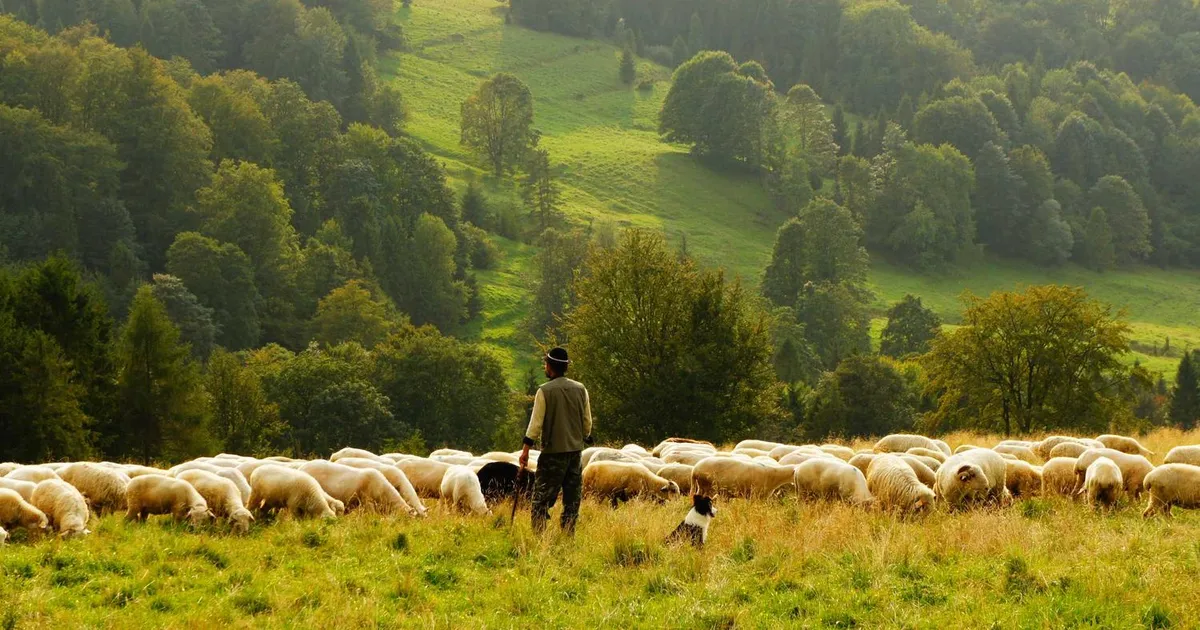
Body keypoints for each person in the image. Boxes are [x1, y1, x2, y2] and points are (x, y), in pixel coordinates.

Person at [519, 346, 593, 535]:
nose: (545, 367)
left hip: (552, 455)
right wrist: (583, 437)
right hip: (575, 454)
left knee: (541, 500)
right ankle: (568, 536)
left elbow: (535, 425)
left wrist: (526, 450)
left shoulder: (544, 391)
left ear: (550, 367)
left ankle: (540, 538)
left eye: (545, 363)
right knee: (572, 500)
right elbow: (587, 422)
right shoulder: (580, 389)